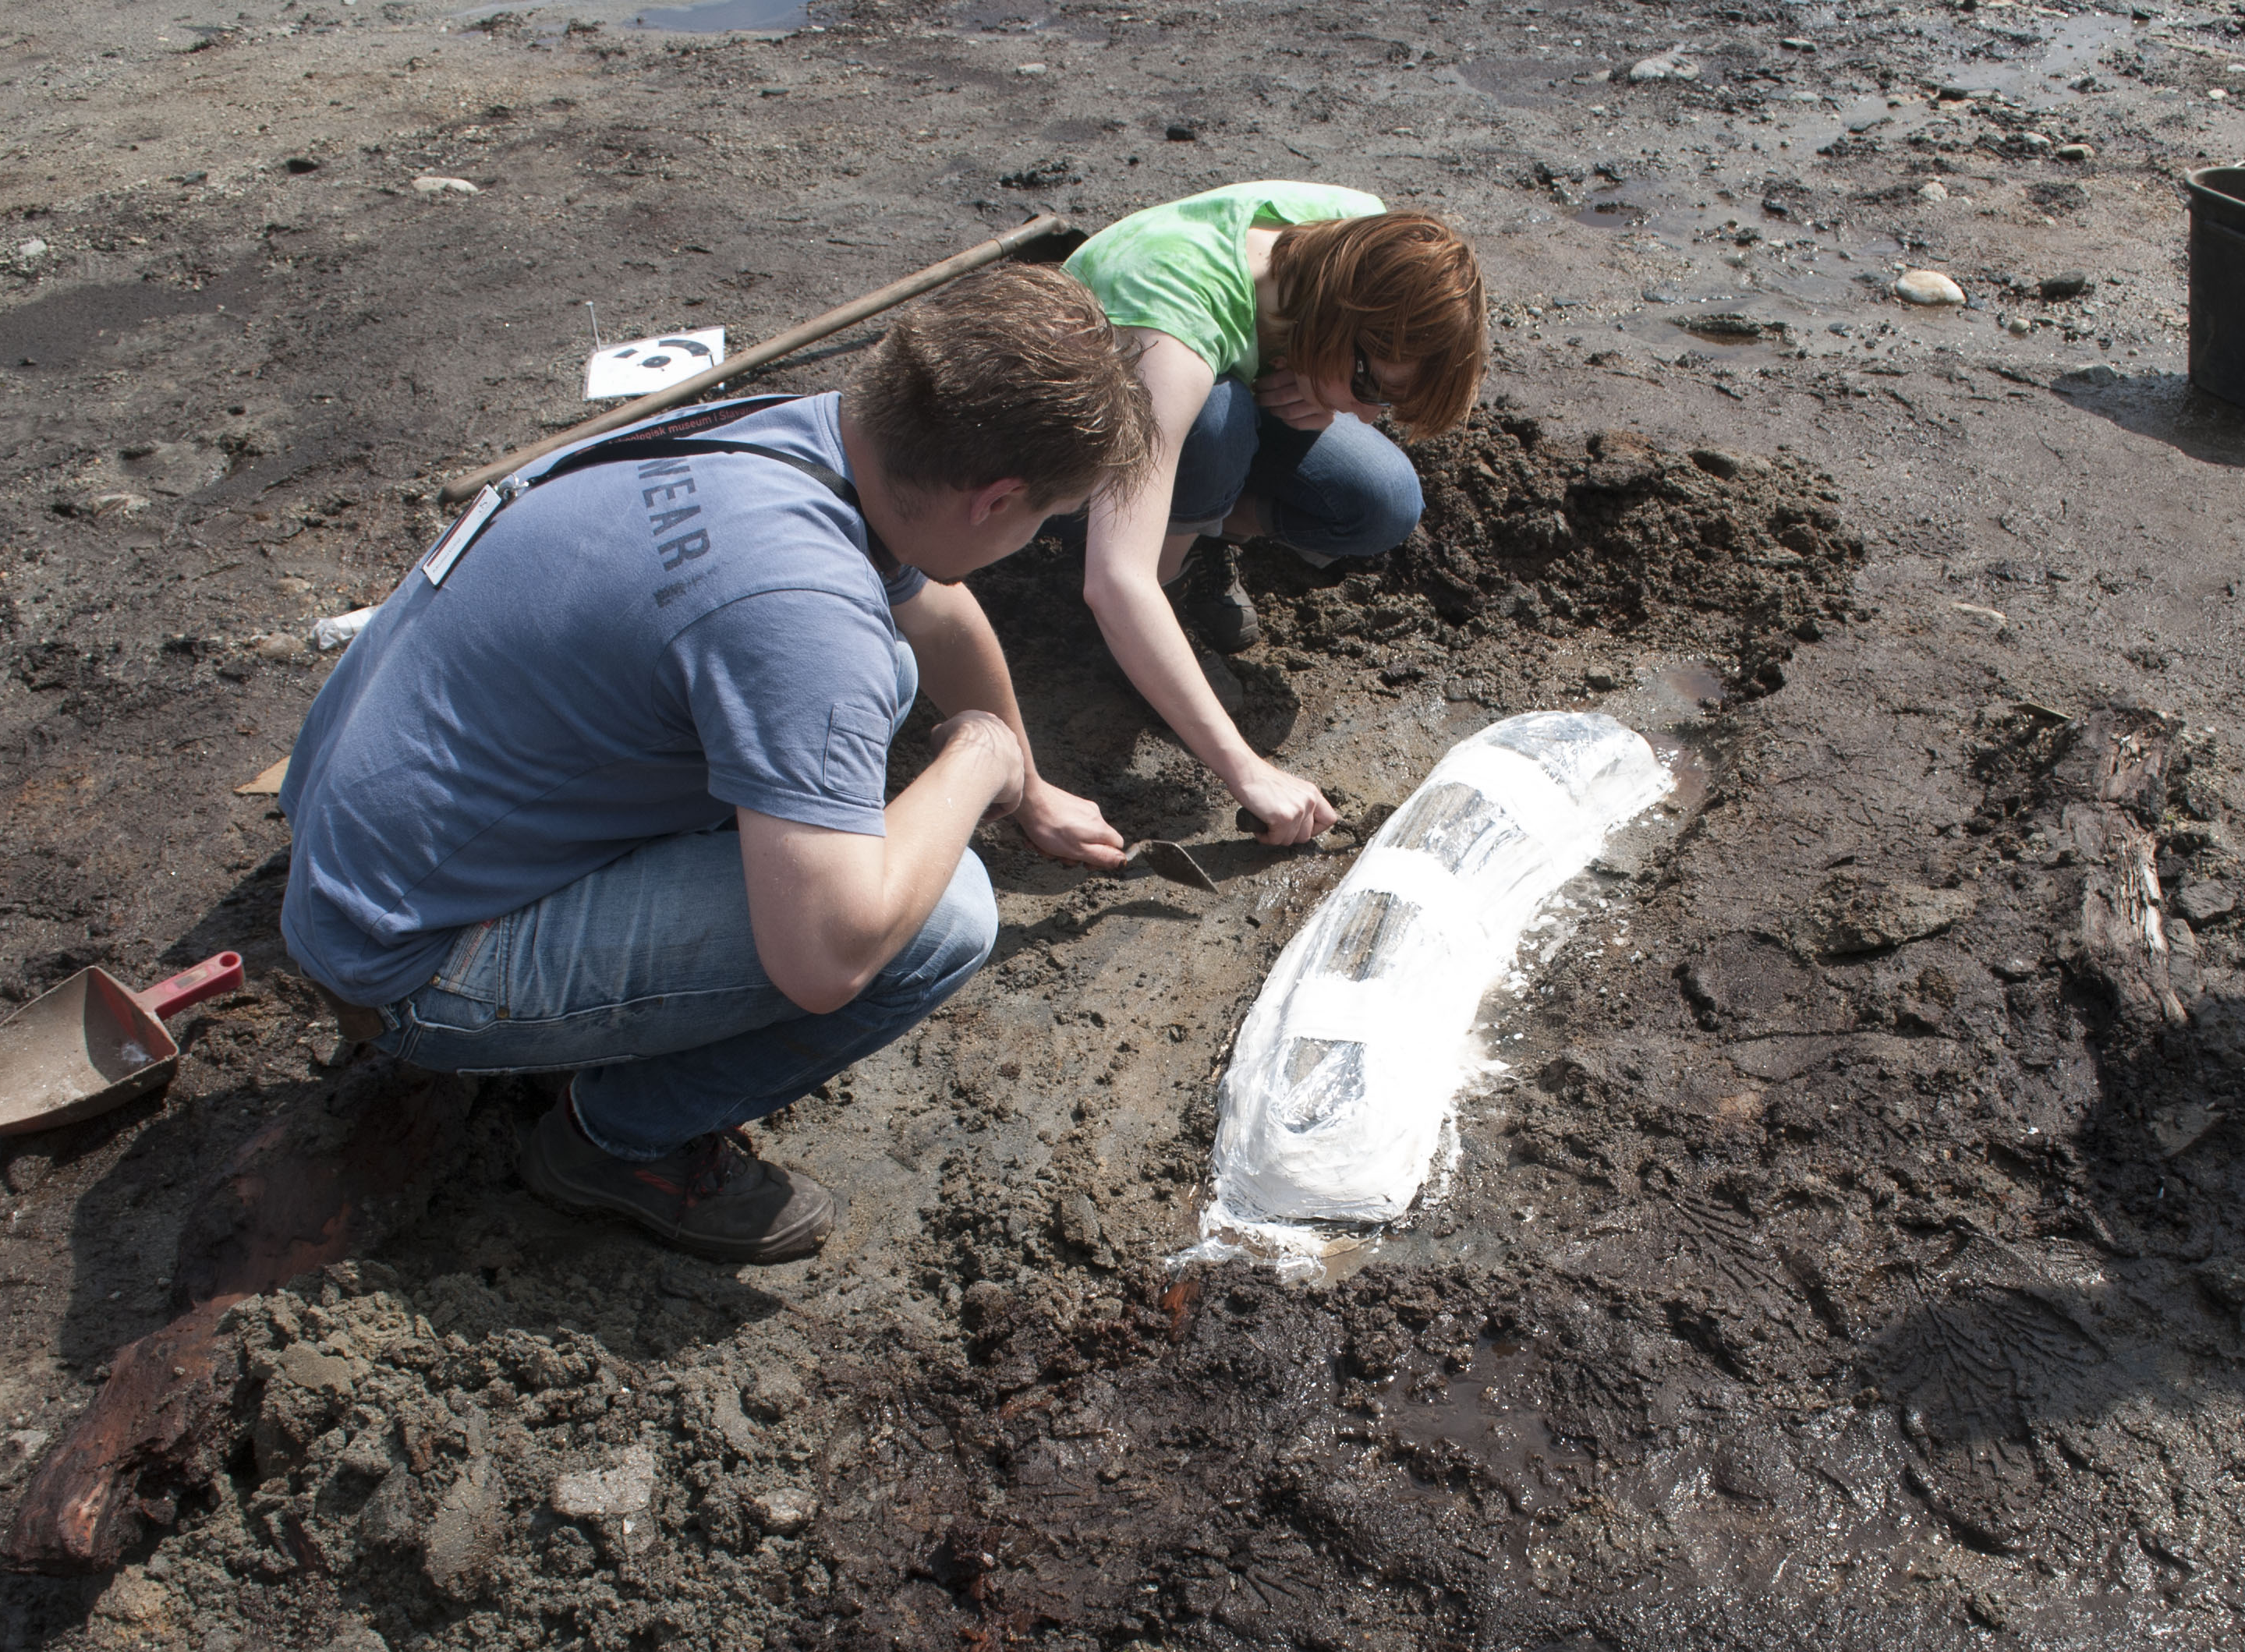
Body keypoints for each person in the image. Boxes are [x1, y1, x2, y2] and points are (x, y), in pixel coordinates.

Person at [274, 265, 1154, 1264]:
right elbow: (827, 955)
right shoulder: (804, 617)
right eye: (1045, 518)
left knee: (814, 775)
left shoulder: (790, 435)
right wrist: (984, 753)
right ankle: (616, 1141)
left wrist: (1030, 788)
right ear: (997, 499)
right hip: (402, 958)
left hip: (360, 830)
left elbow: (936, 600)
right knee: (941, 911)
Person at [1063, 182, 1487, 845]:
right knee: (1216, 425)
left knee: (1381, 499)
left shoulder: (1364, 235)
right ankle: (1155, 605)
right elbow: (1115, 580)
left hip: (1219, 377)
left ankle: (1205, 531)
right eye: (1371, 387)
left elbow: (1357, 400)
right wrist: (1246, 769)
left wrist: (1326, 391)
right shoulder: (1172, 331)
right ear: (1334, 320)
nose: (1370, 415)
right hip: (1081, 438)